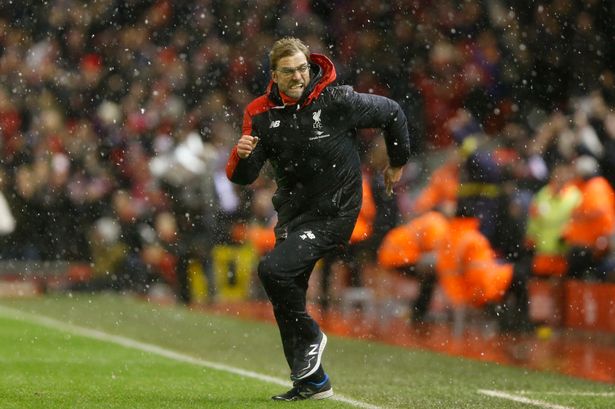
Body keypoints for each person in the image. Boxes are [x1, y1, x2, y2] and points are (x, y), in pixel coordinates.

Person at [226, 37, 411, 401]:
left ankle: (312, 336)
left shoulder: (337, 100)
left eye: (302, 69)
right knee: (286, 294)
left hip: (337, 211)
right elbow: (243, 176)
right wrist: (241, 153)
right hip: (294, 216)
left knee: (273, 271)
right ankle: (312, 383)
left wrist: (398, 161)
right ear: (274, 75)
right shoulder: (260, 113)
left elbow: (392, 112)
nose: (297, 76)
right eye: (289, 71)